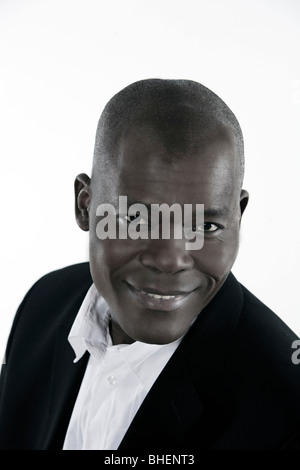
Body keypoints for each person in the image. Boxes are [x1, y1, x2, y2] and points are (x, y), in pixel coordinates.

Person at [0, 78, 299, 451]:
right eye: (137, 220)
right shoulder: (43, 305)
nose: (169, 259)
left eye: (205, 226)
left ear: (237, 217)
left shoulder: (287, 406)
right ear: (85, 205)